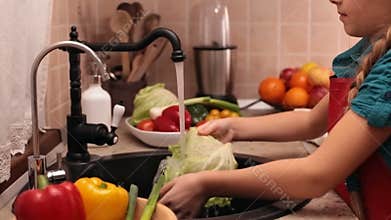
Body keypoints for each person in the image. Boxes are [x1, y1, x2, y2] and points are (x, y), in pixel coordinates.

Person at [159, 0, 391, 219]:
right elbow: (311, 122)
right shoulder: (372, 48)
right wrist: (234, 127)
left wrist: (205, 184)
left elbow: (317, 175)